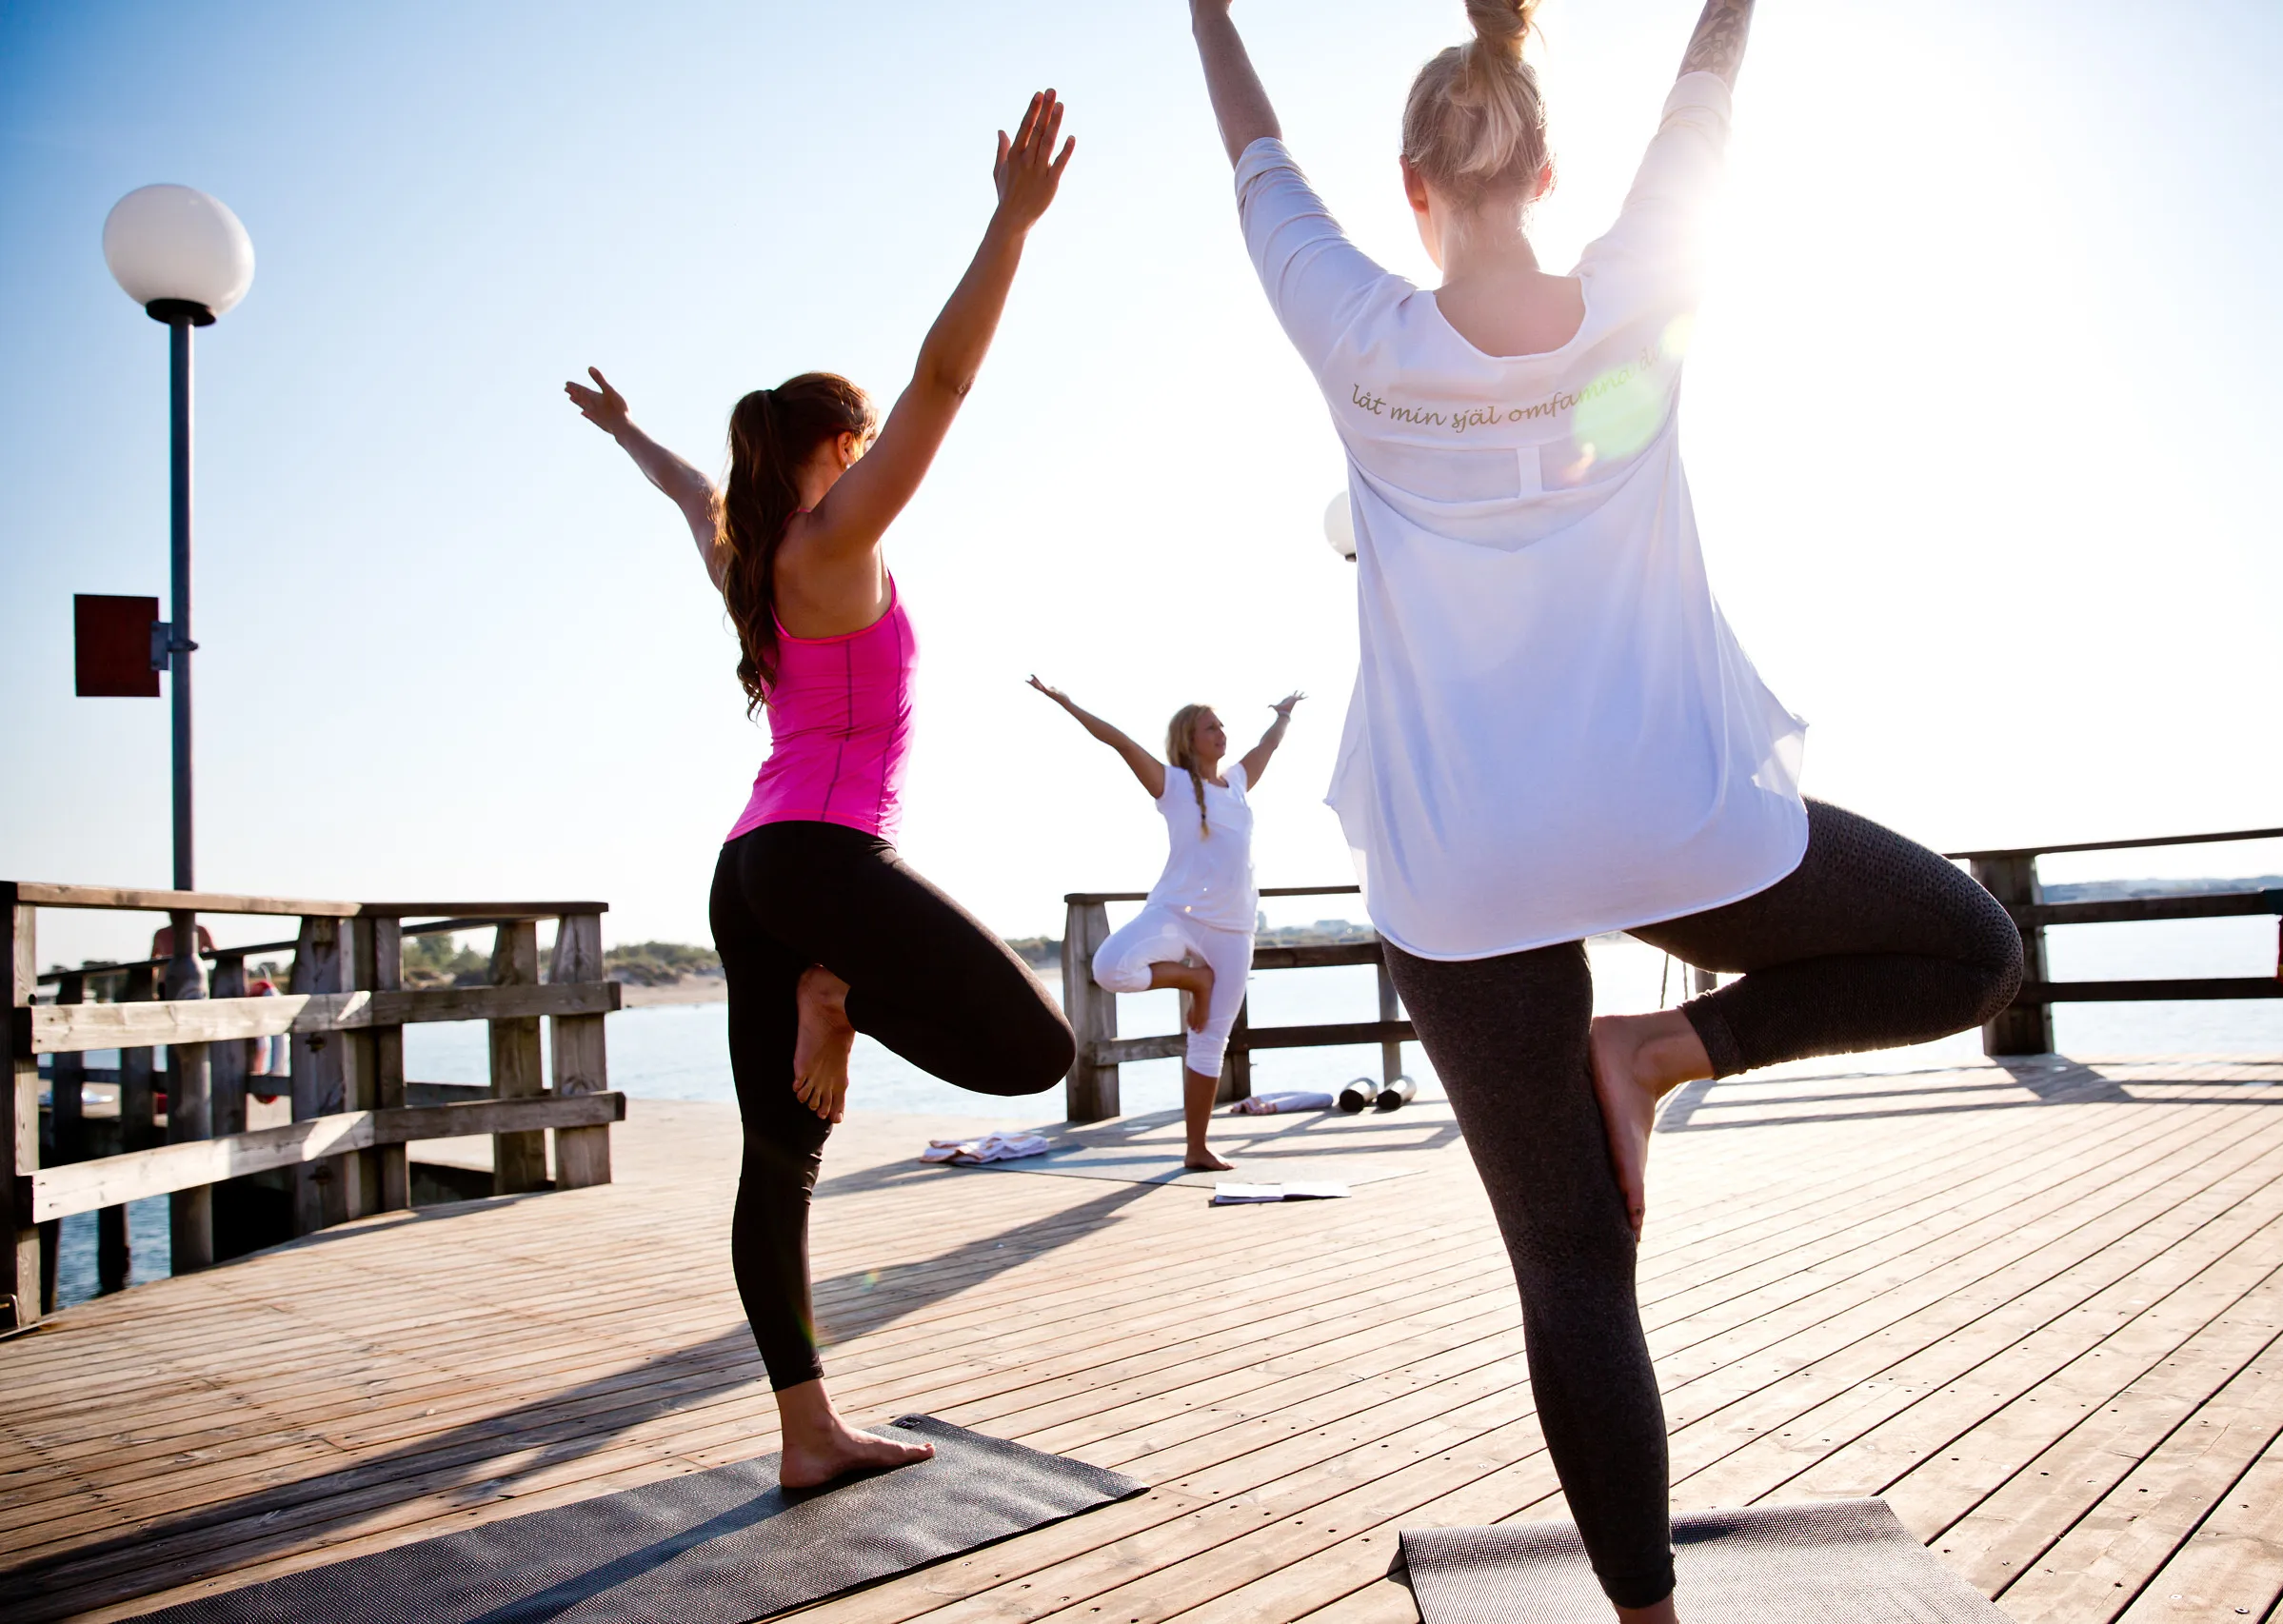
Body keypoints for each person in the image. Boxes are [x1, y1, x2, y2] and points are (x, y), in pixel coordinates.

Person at [1186, 3, 2023, 1616]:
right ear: (1551, 167)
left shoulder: (1352, 328)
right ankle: (1668, 1046)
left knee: (1573, 1267)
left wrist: (1210, 8)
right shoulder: (1642, 285)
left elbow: (1254, 156)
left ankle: (1645, 1619)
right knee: (1972, 951)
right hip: (1670, 822)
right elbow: (1709, 94)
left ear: (1413, 184)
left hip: (1458, 867)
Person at [566, 90, 1081, 1490]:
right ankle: (836, 989)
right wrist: (1009, 224)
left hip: (748, 874)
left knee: (776, 1162)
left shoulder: (746, 556)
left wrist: (627, 435)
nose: (872, 453)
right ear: (835, 446)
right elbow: (947, 383)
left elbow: (689, 490)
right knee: (1040, 1054)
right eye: (857, 439)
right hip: (817, 861)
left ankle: (806, 1435)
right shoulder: (833, 539)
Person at [1028, 680, 1303, 1170]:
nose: (1221, 733)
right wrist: (1068, 704)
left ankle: (1197, 1148)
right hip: (1177, 915)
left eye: (1221, 726)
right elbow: (1121, 743)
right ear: (1188, 739)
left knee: (1211, 1039)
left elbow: (1269, 745)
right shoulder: (1172, 785)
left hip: (1234, 929)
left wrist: (1283, 714)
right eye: (1210, 727)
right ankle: (1194, 978)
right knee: (1110, 968)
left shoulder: (1237, 783)